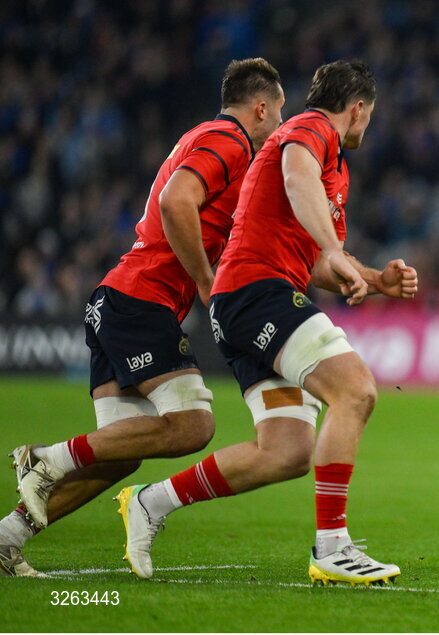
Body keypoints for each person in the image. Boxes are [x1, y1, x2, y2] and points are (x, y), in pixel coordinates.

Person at [114, 60, 418, 586]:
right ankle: (333, 546)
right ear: (359, 108)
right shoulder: (310, 129)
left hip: (248, 302)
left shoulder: (334, 167)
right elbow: (298, 177)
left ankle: (149, 501)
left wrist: (371, 276)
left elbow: (318, 260)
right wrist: (332, 247)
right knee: (356, 392)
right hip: (258, 294)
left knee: (285, 453)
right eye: (369, 115)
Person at [2, 59, 285, 578]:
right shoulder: (232, 139)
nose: (279, 125)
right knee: (195, 423)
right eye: (279, 112)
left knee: (118, 455)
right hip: (141, 300)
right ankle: (46, 458)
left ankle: (6, 536)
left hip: (118, 297)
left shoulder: (203, 136)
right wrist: (205, 282)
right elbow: (178, 202)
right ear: (260, 108)